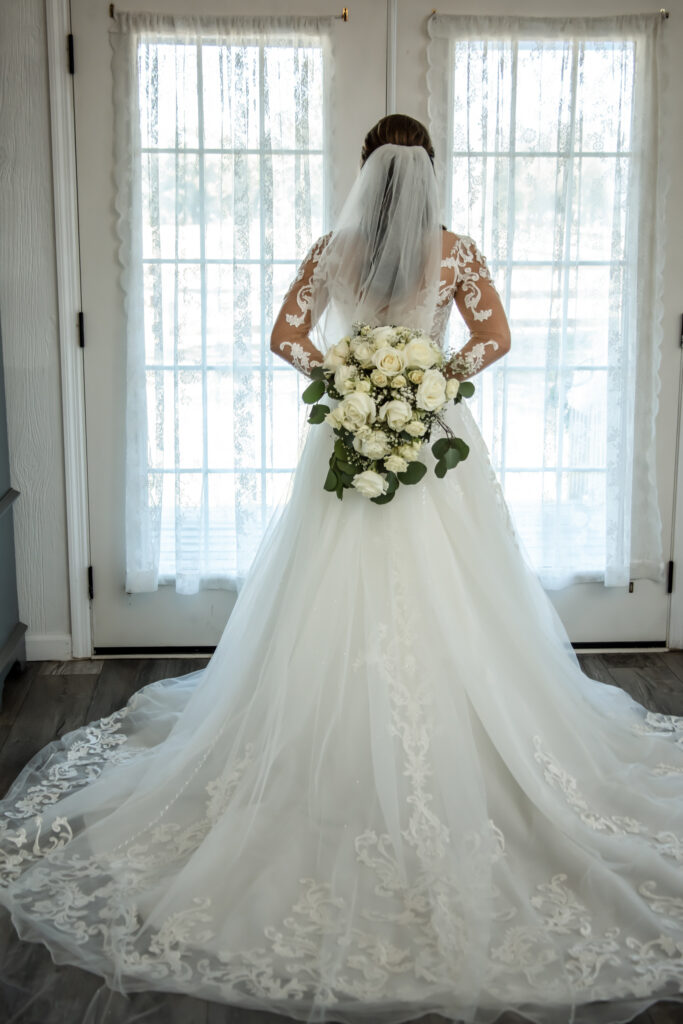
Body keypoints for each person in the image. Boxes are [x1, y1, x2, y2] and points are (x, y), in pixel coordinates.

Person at [0, 114, 682, 1024]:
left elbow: (284, 336)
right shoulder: (455, 250)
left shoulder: (334, 250)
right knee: (456, 591)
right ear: (429, 169)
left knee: (332, 588)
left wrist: (350, 379)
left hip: (349, 433)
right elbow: (497, 337)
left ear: (365, 169)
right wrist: (430, 378)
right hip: (430, 433)